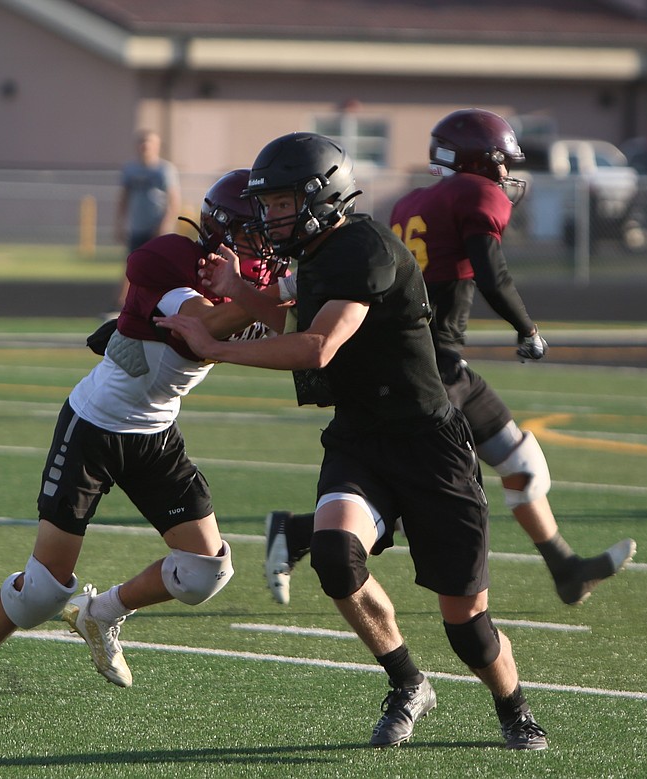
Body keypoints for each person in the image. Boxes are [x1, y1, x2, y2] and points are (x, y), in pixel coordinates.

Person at [157, 132, 548, 750]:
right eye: (269, 204)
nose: (270, 216)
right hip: (361, 438)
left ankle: (513, 707)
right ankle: (407, 682)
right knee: (337, 557)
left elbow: (318, 344)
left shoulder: (363, 246)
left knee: (466, 623)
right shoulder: (318, 253)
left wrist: (217, 349)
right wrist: (234, 293)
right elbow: (289, 311)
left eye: (282, 203)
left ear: (322, 194)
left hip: (428, 444)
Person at [0, 170, 284, 722]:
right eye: (256, 233)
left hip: (155, 434)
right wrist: (278, 292)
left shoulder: (260, 283)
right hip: (95, 426)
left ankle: (101, 613)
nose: (268, 245)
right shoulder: (168, 259)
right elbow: (207, 320)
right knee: (44, 592)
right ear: (222, 231)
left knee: (204, 572)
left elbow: (304, 335)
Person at [262, 109, 636, 609]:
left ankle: (564, 566)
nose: (505, 174)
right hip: (430, 366)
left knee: (515, 462)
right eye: (500, 162)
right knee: (433, 484)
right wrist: (526, 328)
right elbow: (490, 271)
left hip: (436, 358)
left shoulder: (414, 200)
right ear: (478, 160)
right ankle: (298, 532)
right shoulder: (473, 194)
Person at [113, 129, 181, 309]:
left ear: (157, 146)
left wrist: (165, 224)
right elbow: (123, 198)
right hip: (137, 227)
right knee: (131, 265)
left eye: (149, 142)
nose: (145, 146)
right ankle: (123, 303)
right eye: (142, 142)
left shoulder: (164, 170)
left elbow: (174, 200)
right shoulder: (130, 169)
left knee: (161, 267)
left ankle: (165, 302)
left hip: (157, 229)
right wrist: (119, 224)